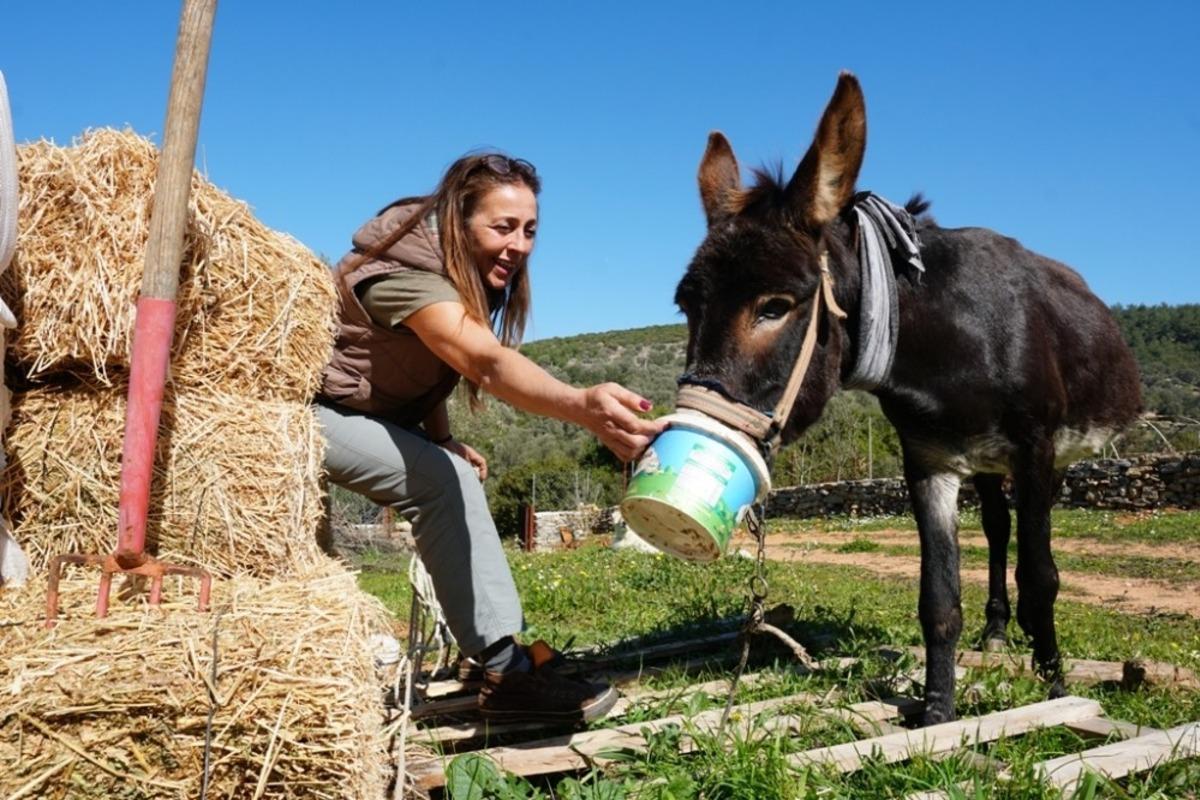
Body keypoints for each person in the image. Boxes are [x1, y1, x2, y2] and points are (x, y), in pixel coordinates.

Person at [316, 152, 664, 724]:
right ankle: (507, 672)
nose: (520, 244)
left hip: (362, 415)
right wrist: (581, 405)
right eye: (502, 227)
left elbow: (428, 375)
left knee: (452, 468)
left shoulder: (462, 274)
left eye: (530, 230)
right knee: (439, 479)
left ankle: (489, 655)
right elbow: (484, 362)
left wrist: (444, 436)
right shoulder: (403, 275)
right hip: (307, 415)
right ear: (458, 220)